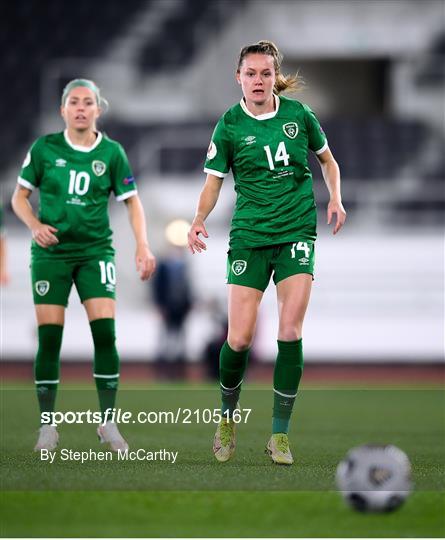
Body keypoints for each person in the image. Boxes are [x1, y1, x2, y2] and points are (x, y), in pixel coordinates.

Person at [188, 41, 346, 465]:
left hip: (296, 231)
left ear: (275, 76)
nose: (258, 80)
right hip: (249, 236)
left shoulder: (299, 116)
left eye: (265, 73)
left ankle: (279, 435)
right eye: (250, 73)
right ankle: (226, 418)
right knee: (238, 338)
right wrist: (199, 217)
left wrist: (335, 197)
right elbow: (213, 181)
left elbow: (328, 161)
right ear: (237, 77)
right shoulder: (229, 125)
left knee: (289, 331)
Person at [11, 79, 156, 452]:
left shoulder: (111, 152)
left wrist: (142, 245)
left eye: (87, 102)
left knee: (105, 335)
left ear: (97, 109)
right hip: (51, 254)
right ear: (62, 110)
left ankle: (107, 423)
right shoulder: (45, 149)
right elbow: (19, 197)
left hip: (95, 253)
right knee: (49, 340)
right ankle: (48, 425)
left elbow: (132, 202)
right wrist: (34, 225)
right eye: (73, 102)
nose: (80, 107)